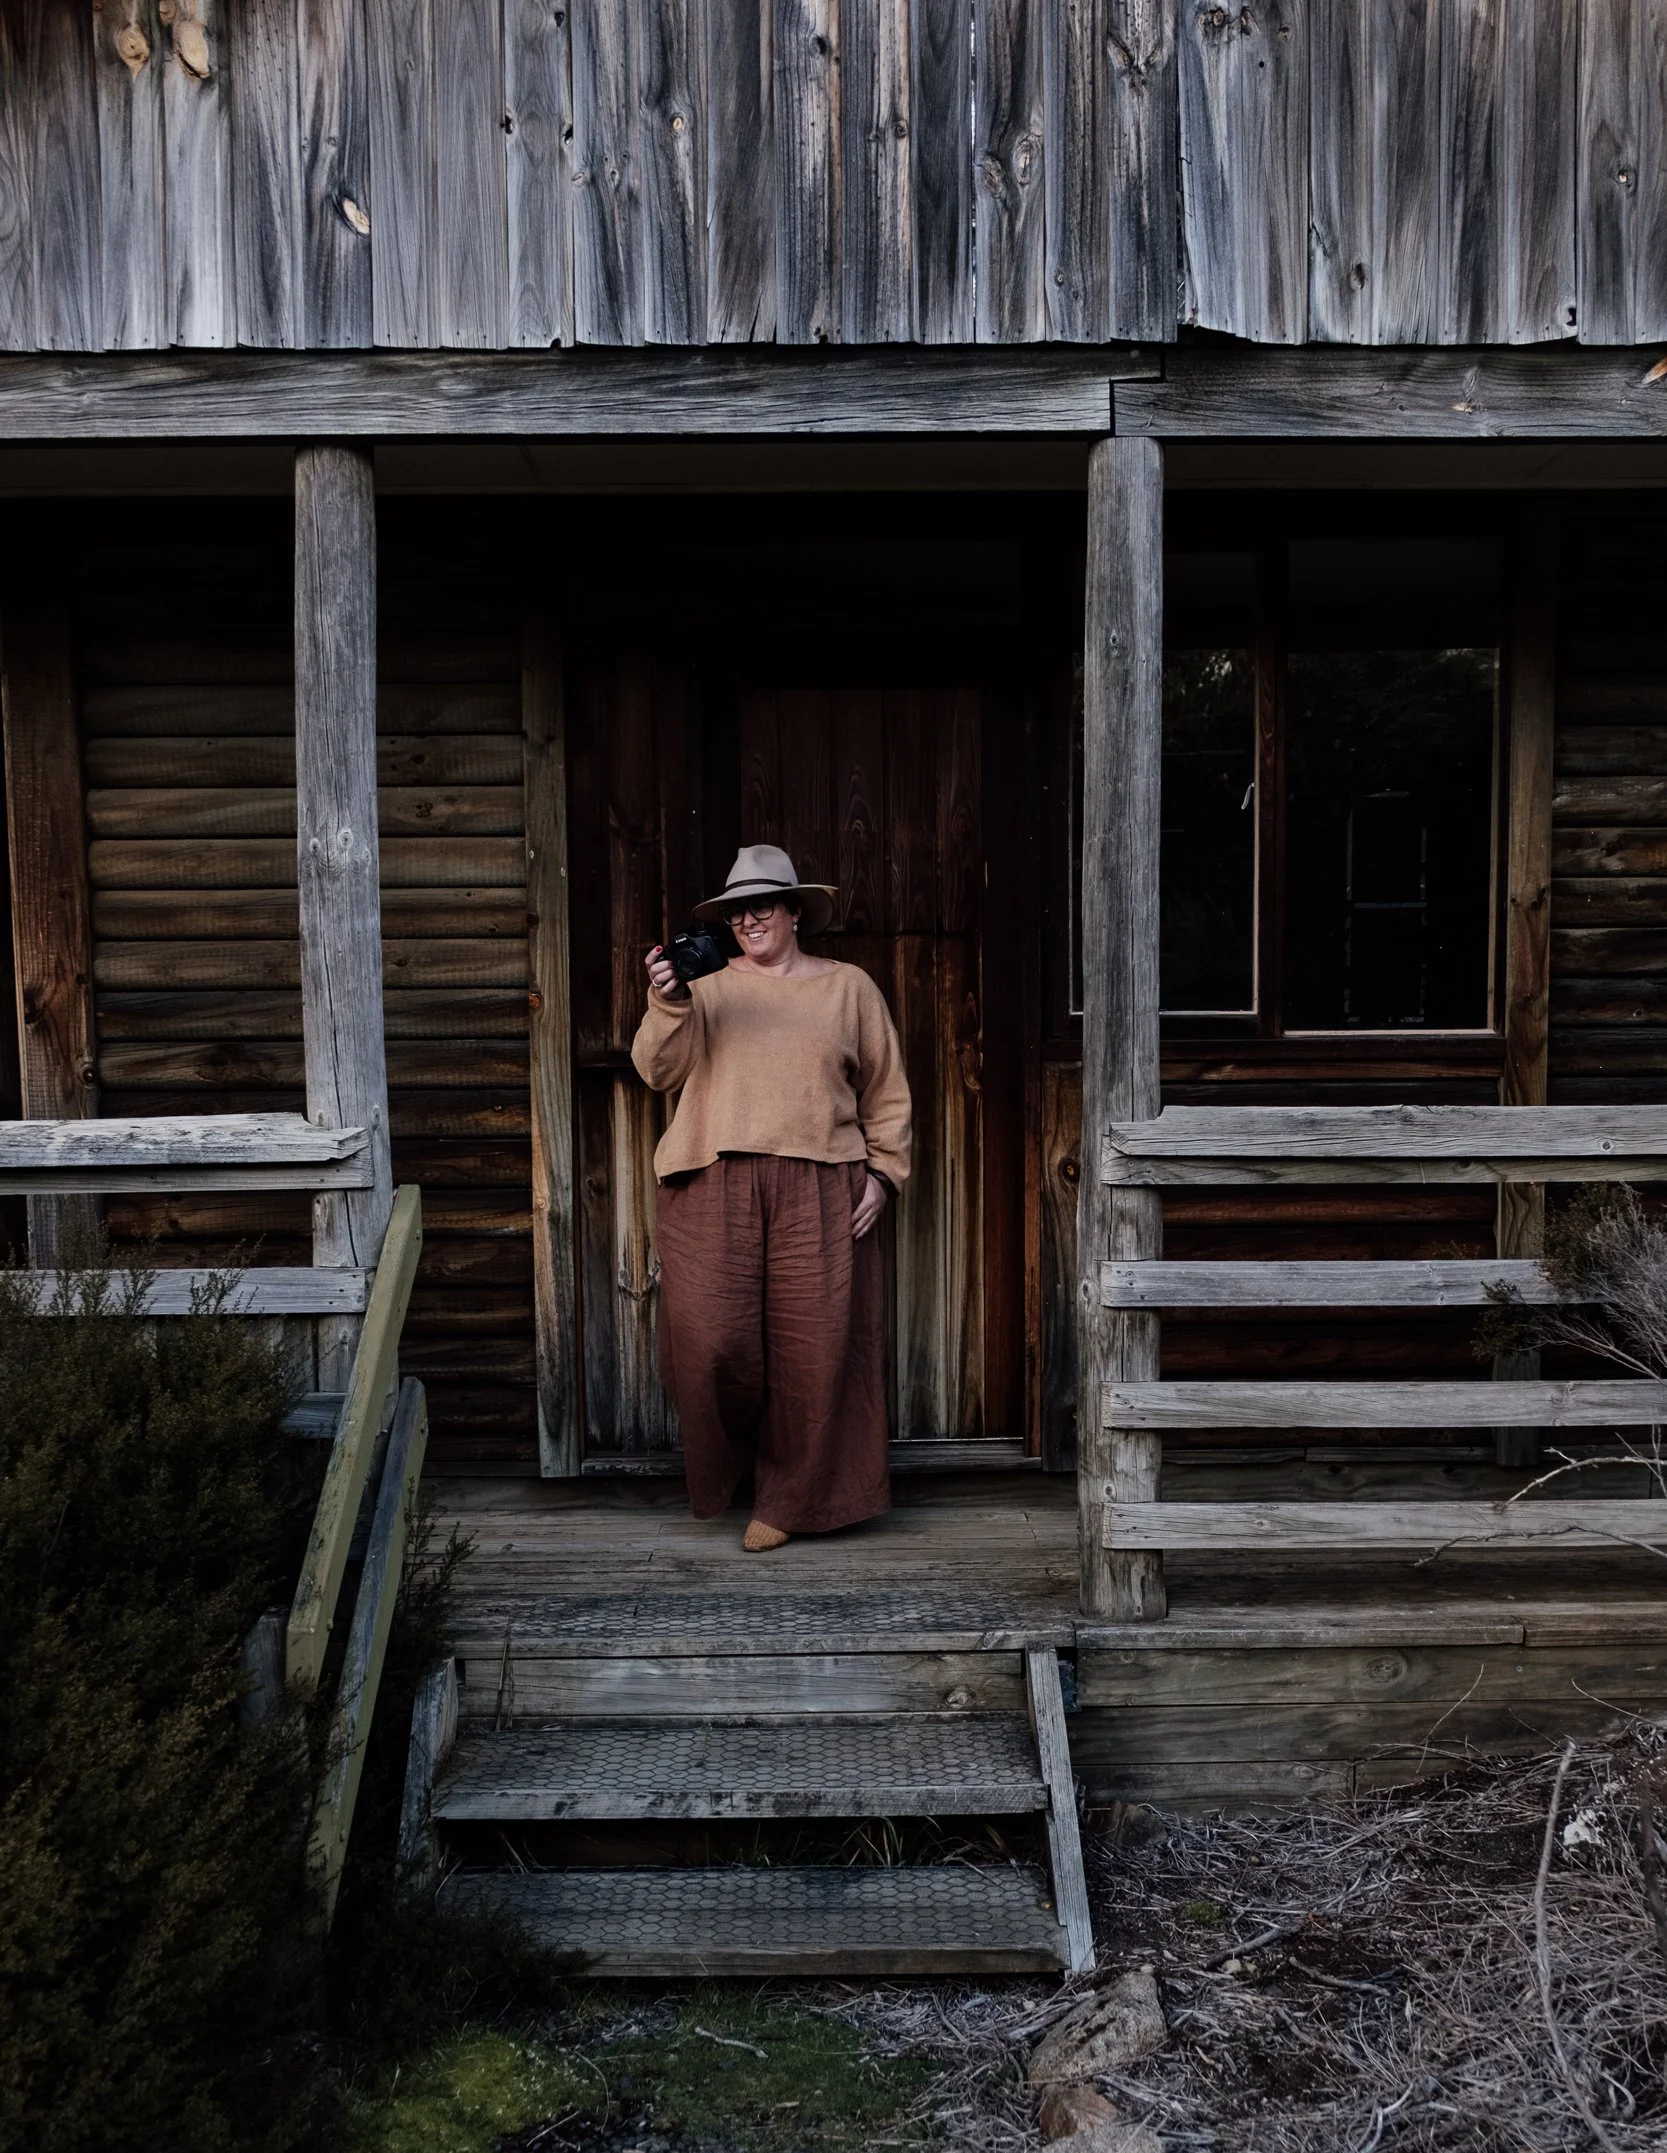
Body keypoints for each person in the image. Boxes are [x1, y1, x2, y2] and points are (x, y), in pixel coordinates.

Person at [631, 844, 912, 1551]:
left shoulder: (848, 988)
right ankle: (731, 1473)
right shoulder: (706, 986)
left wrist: (884, 1174)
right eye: (736, 909)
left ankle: (792, 1501)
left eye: (762, 904)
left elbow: (886, 1091)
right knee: (709, 1342)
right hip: (712, 1180)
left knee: (814, 1350)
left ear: (793, 911)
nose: (748, 917)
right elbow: (655, 1071)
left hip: (823, 1183)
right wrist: (665, 1002)